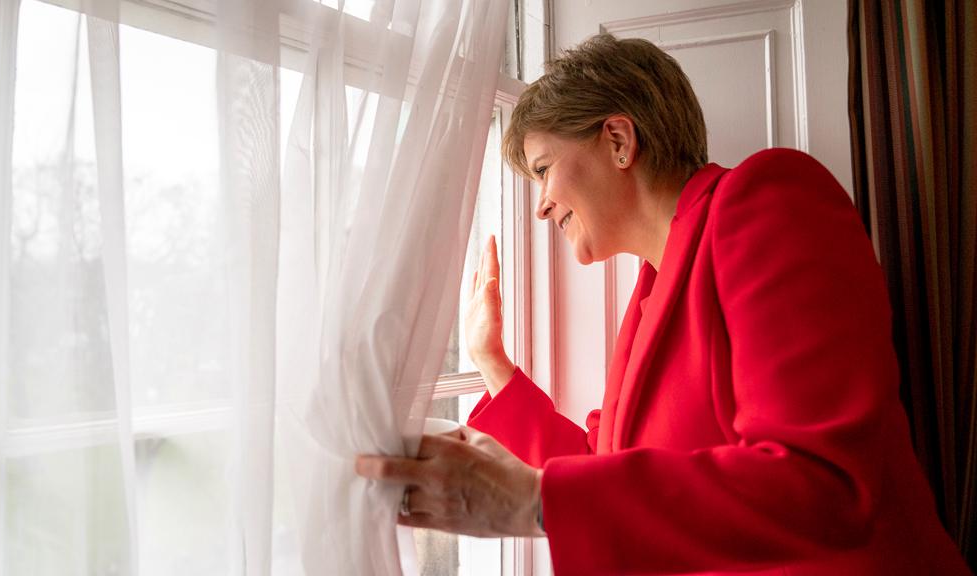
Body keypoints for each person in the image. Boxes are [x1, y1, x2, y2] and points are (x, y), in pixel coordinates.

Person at [356, 34, 972, 575]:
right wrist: (492, 365)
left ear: (619, 140)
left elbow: (826, 483)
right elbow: (606, 470)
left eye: (544, 169)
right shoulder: (652, 287)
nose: (541, 205)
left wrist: (532, 502)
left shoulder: (768, 200)